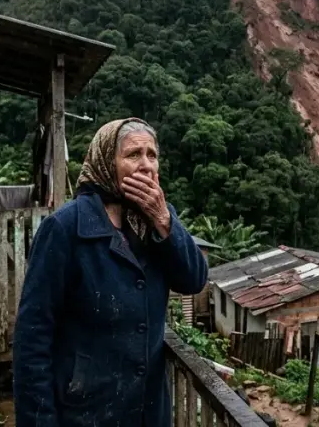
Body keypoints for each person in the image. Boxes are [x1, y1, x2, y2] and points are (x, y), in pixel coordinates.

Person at [13, 118, 209, 427]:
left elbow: (194, 279)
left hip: (148, 413)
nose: (146, 165)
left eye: (152, 155)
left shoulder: (156, 219)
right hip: (86, 412)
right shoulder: (65, 228)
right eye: (133, 155)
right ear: (106, 161)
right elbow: (32, 338)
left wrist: (163, 220)